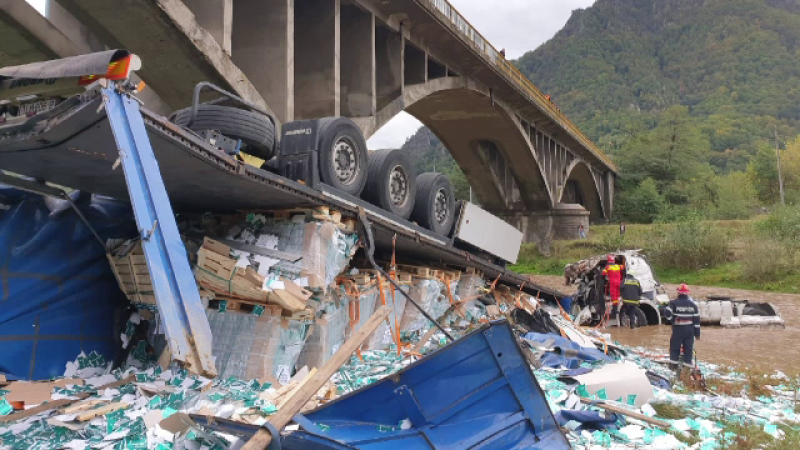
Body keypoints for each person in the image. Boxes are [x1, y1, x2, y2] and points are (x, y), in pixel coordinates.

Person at [663, 284, 700, 370]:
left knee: (675, 348)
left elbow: (667, 311)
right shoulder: (693, 305)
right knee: (688, 349)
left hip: (678, 330)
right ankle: (687, 369)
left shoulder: (674, 303)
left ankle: (673, 367)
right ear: (687, 293)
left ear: (678, 293)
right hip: (690, 331)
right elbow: (697, 321)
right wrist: (697, 334)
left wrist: (671, 320)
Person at [602, 255, 623, 323]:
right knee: (618, 295)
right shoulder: (618, 266)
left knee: (614, 297)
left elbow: (603, 273)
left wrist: (605, 270)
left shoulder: (608, 267)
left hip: (613, 284)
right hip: (619, 283)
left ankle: (615, 310)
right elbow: (623, 267)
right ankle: (618, 307)